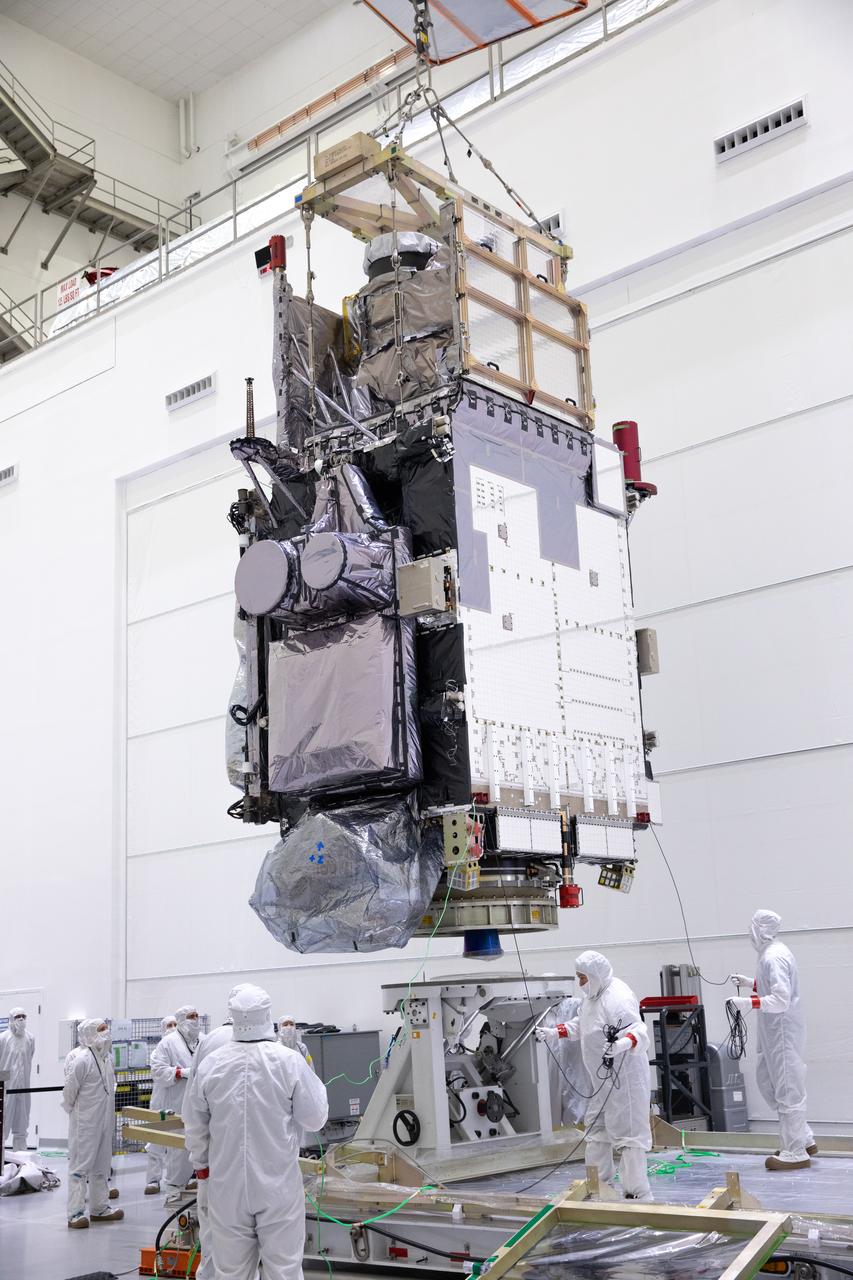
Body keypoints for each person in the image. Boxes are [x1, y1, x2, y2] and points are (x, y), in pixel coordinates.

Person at [183, 984, 328, 1280]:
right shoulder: (288, 1061)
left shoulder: (212, 1064)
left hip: (225, 1186)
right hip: (277, 1186)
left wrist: (203, 1170)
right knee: (284, 1270)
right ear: (267, 1015)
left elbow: (194, 1125)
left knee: (230, 1272)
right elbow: (315, 1119)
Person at [536, 951, 652, 1200]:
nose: (580, 983)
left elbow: (639, 1030)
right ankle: (599, 1186)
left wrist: (622, 1044)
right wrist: (554, 1032)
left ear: (596, 974)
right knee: (597, 1129)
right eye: (578, 977)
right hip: (601, 1081)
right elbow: (583, 1025)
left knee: (628, 1134)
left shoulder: (618, 997)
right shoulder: (591, 997)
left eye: (583, 978)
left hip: (625, 1080)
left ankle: (637, 1194)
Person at [729, 909, 816, 1171]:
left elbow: (780, 1000)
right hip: (772, 1030)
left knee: (788, 1088)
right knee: (767, 1082)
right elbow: (772, 986)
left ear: (761, 929)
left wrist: (747, 1002)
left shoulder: (774, 956)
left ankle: (796, 1151)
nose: (749, 932)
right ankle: (804, 1137)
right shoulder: (769, 954)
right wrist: (750, 983)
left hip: (782, 1031)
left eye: (752, 927)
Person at [61, 1019, 124, 1229]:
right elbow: (69, 1092)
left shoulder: (107, 1059)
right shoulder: (81, 1060)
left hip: (105, 1119)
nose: (106, 1032)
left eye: (106, 1028)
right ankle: (75, 1214)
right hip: (85, 1122)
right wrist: (76, 1114)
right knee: (80, 1166)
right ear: (89, 1034)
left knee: (102, 1165)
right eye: (101, 1029)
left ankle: (100, 1209)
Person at [150, 1005, 199, 1204]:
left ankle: (190, 1183)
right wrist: (180, 1072)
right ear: (180, 1020)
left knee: (198, 1147)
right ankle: (172, 1190)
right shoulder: (167, 1043)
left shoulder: (203, 1040)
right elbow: (158, 1071)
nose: (194, 1019)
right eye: (190, 1016)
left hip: (200, 1106)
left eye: (196, 1016)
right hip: (177, 1104)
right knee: (177, 1150)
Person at [541, 993, 590, 1128]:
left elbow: (581, 1026)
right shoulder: (540, 1012)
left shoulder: (576, 1005)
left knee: (577, 1111)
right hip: (551, 1070)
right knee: (550, 1115)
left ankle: (580, 1139)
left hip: (576, 1068)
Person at [144, 1015, 177, 1195]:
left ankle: (175, 1180)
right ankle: (153, 1180)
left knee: (177, 1144)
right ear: (163, 1029)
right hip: (160, 1103)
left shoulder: (184, 1050)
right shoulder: (157, 1051)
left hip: (178, 1103)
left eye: (175, 1024)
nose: (172, 1028)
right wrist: (180, 1072)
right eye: (169, 1025)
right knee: (156, 1141)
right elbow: (162, 1076)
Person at [0, 1008, 35, 1152]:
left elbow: (30, 1057)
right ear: (11, 1019)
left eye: (23, 1016)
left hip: (24, 1086)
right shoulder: (3, 1038)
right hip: (6, 1088)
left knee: (22, 1120)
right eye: (17, 1016)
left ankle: (21, 1156)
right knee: (3, 1120)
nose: (21, 1019)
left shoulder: (30, 1038)